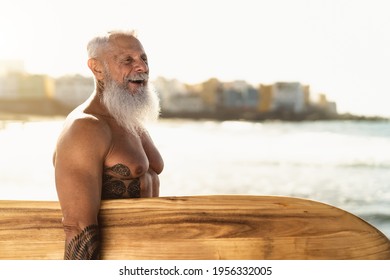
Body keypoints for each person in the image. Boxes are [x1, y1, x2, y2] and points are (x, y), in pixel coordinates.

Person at [53, 30, 164, 260]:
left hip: (146, 257)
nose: (141, 67)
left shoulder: (129, 121)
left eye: (143, 58)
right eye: (127, 60)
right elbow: (77, 227)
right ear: (97, 69)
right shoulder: (86, 128)